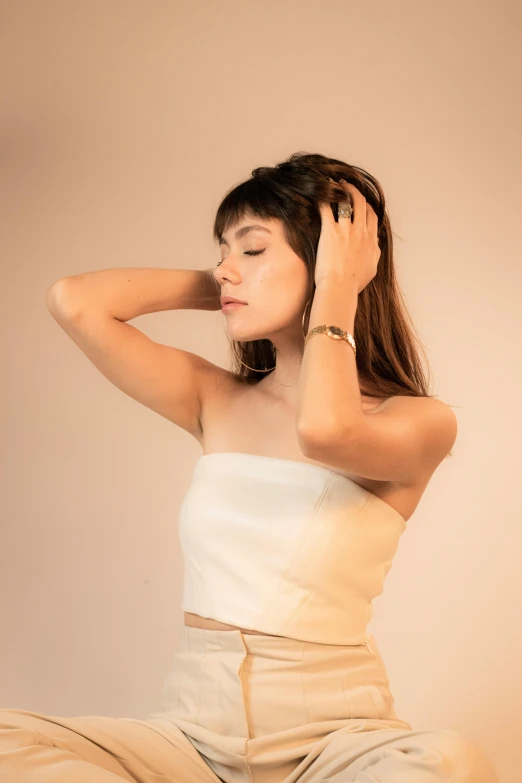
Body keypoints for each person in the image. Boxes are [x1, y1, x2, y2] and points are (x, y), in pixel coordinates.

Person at [1, 152, 498, 782]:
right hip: (191, 739)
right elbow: (74, 300)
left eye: (253, 249)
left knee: (448, 764)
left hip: (334, 741)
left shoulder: (418, 421)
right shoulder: (218, 400)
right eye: (222, 251)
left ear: (329, 264)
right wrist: (232, 285)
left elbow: (324, 431)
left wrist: (336, 289)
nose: (224, 267)